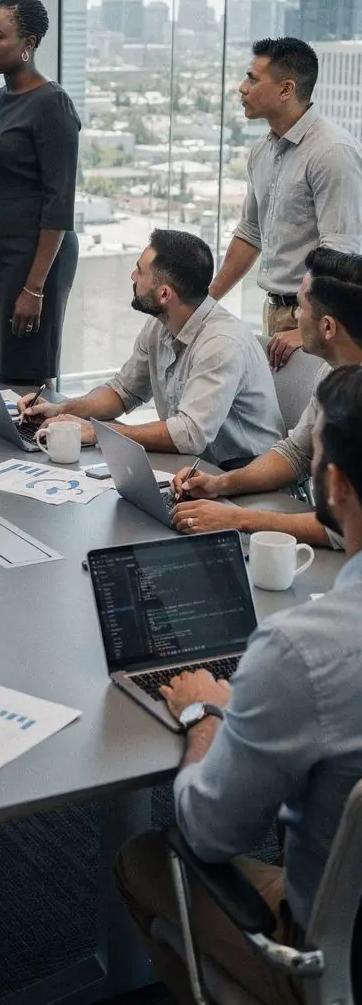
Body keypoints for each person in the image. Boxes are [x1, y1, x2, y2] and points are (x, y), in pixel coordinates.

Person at [114, 363, 362, 1005]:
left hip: (329, 961)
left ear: (330, 483)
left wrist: (206, 718)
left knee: (143, 858)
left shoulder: (302, 649)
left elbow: (209, 832)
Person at [19, 229, 283, 466]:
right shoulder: (161, 324)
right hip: (194, 470)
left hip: (249, 480)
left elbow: (190, 435)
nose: (133, 276)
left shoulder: (221, 343)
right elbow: (123, 392)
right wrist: (62, 410)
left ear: (165, 294)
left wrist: (99, 432)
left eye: (140, 271)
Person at [172, 246, 362, 548]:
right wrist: (221, 484)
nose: (295, 317)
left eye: (300, 308)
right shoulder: (332, 372)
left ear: (327, 326)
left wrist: (238, 520)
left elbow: (345, 526)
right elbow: (297, 453)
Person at [209, 37, 362, 370]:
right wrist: (206, 303)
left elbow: (341, 252)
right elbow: (250, 233)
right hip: (277, 312)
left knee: (316, 417)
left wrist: (306, 327)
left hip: (316, 319)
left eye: (252, 78)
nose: (242, 88)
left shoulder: (331, 152)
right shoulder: (263, 151)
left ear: (286, 89)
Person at [0, 0, 81, 384]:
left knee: (27, 375)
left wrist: (35, 288)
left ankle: (39, 444)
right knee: (5, 368)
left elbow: (59, 202)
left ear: (28, 44)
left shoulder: (52, 104)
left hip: (36, 260)